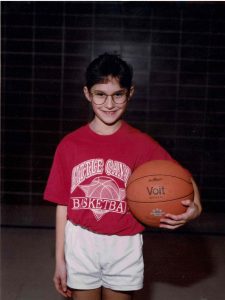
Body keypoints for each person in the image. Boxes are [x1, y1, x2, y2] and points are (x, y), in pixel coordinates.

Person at [44, 53, 202, 300]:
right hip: (81, 241)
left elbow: (181, 176)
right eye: (100, 94)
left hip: (124, 244)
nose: (109, 104)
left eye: (118, 94)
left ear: (130, 93)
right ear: (87, 93)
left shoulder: (141, 144)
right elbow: (62, 205)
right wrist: (59, 259)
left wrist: (196, 208)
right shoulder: (70, 144)